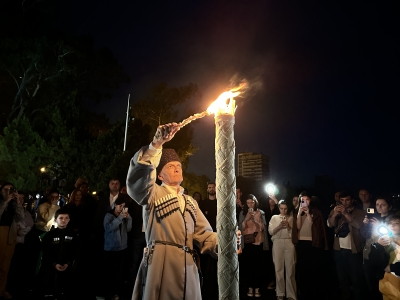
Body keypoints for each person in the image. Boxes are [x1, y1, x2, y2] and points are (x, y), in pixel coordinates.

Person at [126, 122, 220, 300]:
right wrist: (156, 145)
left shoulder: (191, 202)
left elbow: (205, 236)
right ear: (159, 176)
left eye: (179, 165)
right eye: (170, 166)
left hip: (188, 267)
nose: (177, 167)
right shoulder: (152, 193)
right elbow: (138, 178)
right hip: (162, 265)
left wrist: (227, 242)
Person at [327, 191, 367, 300]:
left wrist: (345, 213)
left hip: (353, 250)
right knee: (342, 278)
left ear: (352, 200)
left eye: (347, 200)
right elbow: (330, 224)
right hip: (339, 249)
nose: (344, 202)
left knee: (356, 278)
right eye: (342, 200)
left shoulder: (360, 212)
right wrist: (335, 214)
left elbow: (358, 225)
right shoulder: (335, 211)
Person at [292, 191, 328, 300]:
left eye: (307, 199)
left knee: (313, 269)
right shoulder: (297, 211)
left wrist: (308, 213)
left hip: (313, 242)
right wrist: (299, 213)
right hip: (301, 242)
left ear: (310, 200)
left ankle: (314, 293)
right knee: (302, 269)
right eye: (303, 200)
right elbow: (297, 227)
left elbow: (314, 225)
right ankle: (303, 293)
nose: (305, 202)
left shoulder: (315, 211)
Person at [38, 208, 77, 298]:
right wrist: (54, 264)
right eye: (61, 218)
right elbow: (46, 251)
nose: (64, 220)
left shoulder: (72, 234)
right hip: (50, 268)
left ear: (69, 220)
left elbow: (74, 250)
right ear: (56, 220)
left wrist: (68, 263)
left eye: (66, 218)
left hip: (67, 267)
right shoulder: (49, 235)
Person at [361, 196, 393, 300]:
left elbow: (394, 236)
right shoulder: (372, 217)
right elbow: (364, 235)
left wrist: (380, 225)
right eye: (377, 204)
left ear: (389, 207)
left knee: (386, 287)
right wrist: (365, 224)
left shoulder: (393, 220)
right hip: (369, 255)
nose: (379, 207)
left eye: (383, 205)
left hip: (385, 257)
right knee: (372, 286)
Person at [238, 194, 269, 298]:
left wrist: (255, 220)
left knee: (258, 266)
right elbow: (240, 227)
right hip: (247, 243)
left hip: (258, 242)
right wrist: (246, 218)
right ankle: (250, 287)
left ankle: (257, 287)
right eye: (248, 203)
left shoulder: (261, 213)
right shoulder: (243, 212)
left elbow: (262, 228)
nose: (250, 204)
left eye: (252, 202)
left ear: (255, 202)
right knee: (248, 266)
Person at [103, 196, 132, 300]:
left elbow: (128, 229)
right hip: (111, 248)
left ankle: (117, 291)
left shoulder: (123, 216)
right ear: (115, 205)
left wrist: (128, 218)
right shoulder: (109, 215)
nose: (121, 208)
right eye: (120, 206)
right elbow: (108, 228)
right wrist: (120, 218)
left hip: (122, 247)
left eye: (124, 206)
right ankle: (109, 292)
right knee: (110, 272)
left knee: (119, 272)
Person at [0, 182, 24, 300]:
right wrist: (5, 202)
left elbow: (20, 218)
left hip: (10, 234)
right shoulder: (2, 202)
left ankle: (1, 290)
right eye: (5, 189)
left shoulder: (14, 204)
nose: (8, 191)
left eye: (11, 189)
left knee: (5, 265)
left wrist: (18, 202)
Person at [269, 200, 296, 300]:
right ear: (279, 208)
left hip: (289, 243)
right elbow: (270, 231)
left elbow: (294, 234)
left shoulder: (292, 218)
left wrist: (288, 227)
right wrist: (279, 226)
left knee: (290, 268)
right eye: (281, 208)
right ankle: (280, 292)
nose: (283, 211)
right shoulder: (274, 217)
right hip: (277, 242)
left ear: (288, 209)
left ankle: (291, 294)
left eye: (285, 209)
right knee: (278, 268)